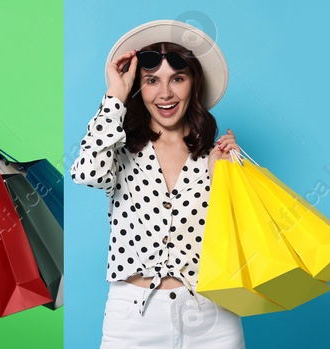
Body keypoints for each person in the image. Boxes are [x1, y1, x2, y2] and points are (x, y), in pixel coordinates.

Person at [72, 20, 243, 348]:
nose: (165, 93)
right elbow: (86, 172)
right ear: (139, 86)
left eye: (177, 79)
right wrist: (114, 97)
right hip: (134, 318)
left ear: (193, 84)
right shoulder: (119, 149)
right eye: (152, 81)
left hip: (212, 315)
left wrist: (228, 175)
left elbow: (239, 237)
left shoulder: (213, 154)